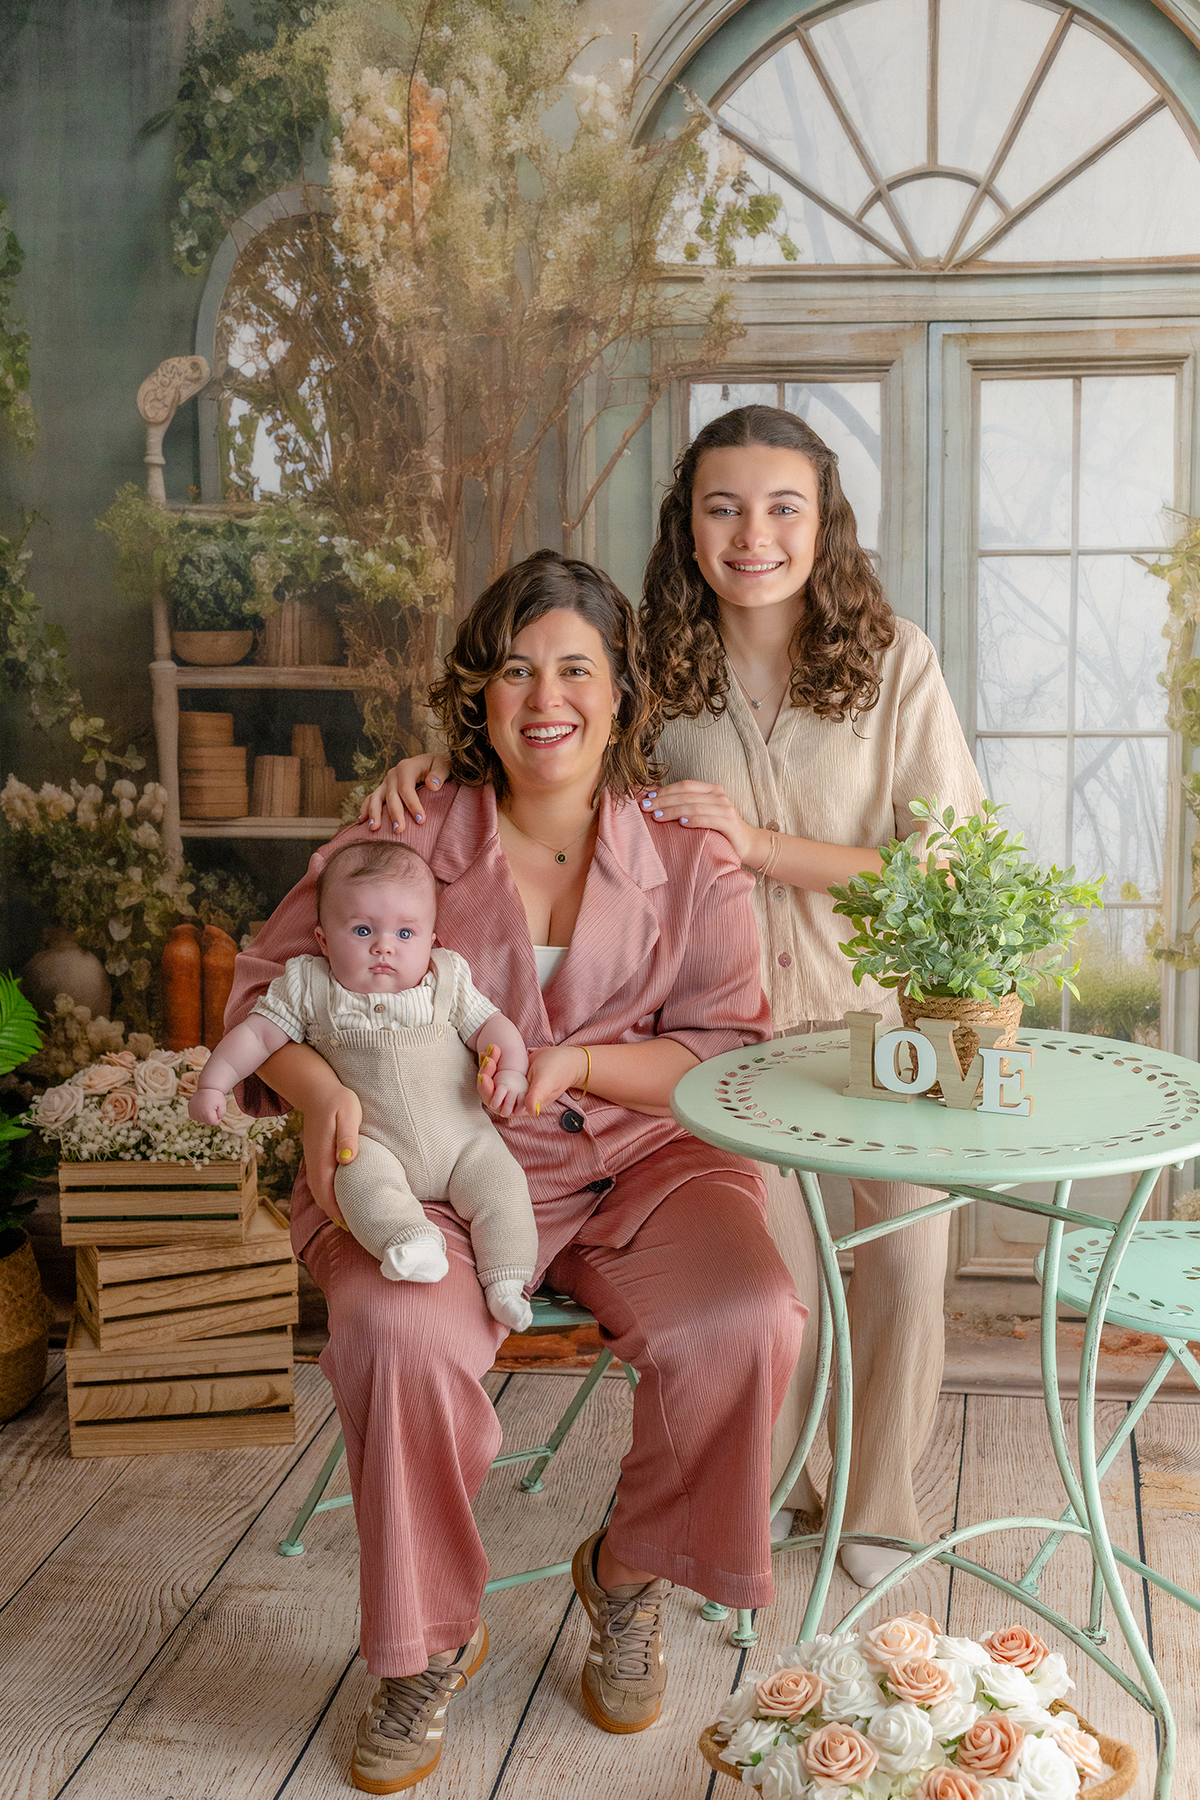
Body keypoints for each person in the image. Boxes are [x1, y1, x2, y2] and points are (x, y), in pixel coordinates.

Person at [364, 405, 985, 1592]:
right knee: (780, 1281)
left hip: (882, 1025)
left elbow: (943, 866)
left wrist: (761, 847)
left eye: (782, 506)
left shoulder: (894, 661)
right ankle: (772, 1491)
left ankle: (881, 1504)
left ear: (824, 520)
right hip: (718, 1045)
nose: (754, 533)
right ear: (688, 524)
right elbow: (546, 727)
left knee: (905, 1260)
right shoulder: (654, 658)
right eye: (723, 506)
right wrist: (426, 766)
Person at [226, 549, 804, 1795]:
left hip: (646, 1164)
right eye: (517, 670)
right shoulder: (403, 828)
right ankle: (426, 1642)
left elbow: (728, 1054)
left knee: (748, 1316)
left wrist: (585, 1063)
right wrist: (322, 1092)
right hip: (422, 1174)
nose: (548, 697)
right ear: (479, 696)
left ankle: (630, 1574)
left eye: (578, 669)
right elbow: (266, 988)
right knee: (394, 1329)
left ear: (623, 694)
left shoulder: (689, 855)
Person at [190, 838, 538, 1332]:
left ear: (431, 940)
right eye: (361, 930)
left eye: (404, 932)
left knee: (503, 1187)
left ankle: (506, 1280)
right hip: (375, 1144)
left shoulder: (448, 979)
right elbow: (255, 1035)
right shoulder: (309, 987)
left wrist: (510, 1071)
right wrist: (213, 1083)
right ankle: (411, 1240)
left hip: (464, 1140)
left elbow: (496, 1027)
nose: (384, 946)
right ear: (324, 939)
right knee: (356, 1183)